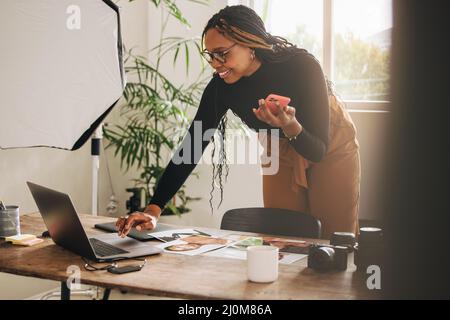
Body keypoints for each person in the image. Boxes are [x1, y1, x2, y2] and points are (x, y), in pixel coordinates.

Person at [116, 5, 361, 239]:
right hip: (279, 145)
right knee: (281, 239)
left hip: (329, 139)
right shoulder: (221, 88)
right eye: (210, 55)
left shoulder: (300, 66)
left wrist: (289, 125)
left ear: (250, 43)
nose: (214, 63)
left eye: (222, 53)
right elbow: (192, 146)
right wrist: (153, 209)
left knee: (334, 239)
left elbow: (317, 150)